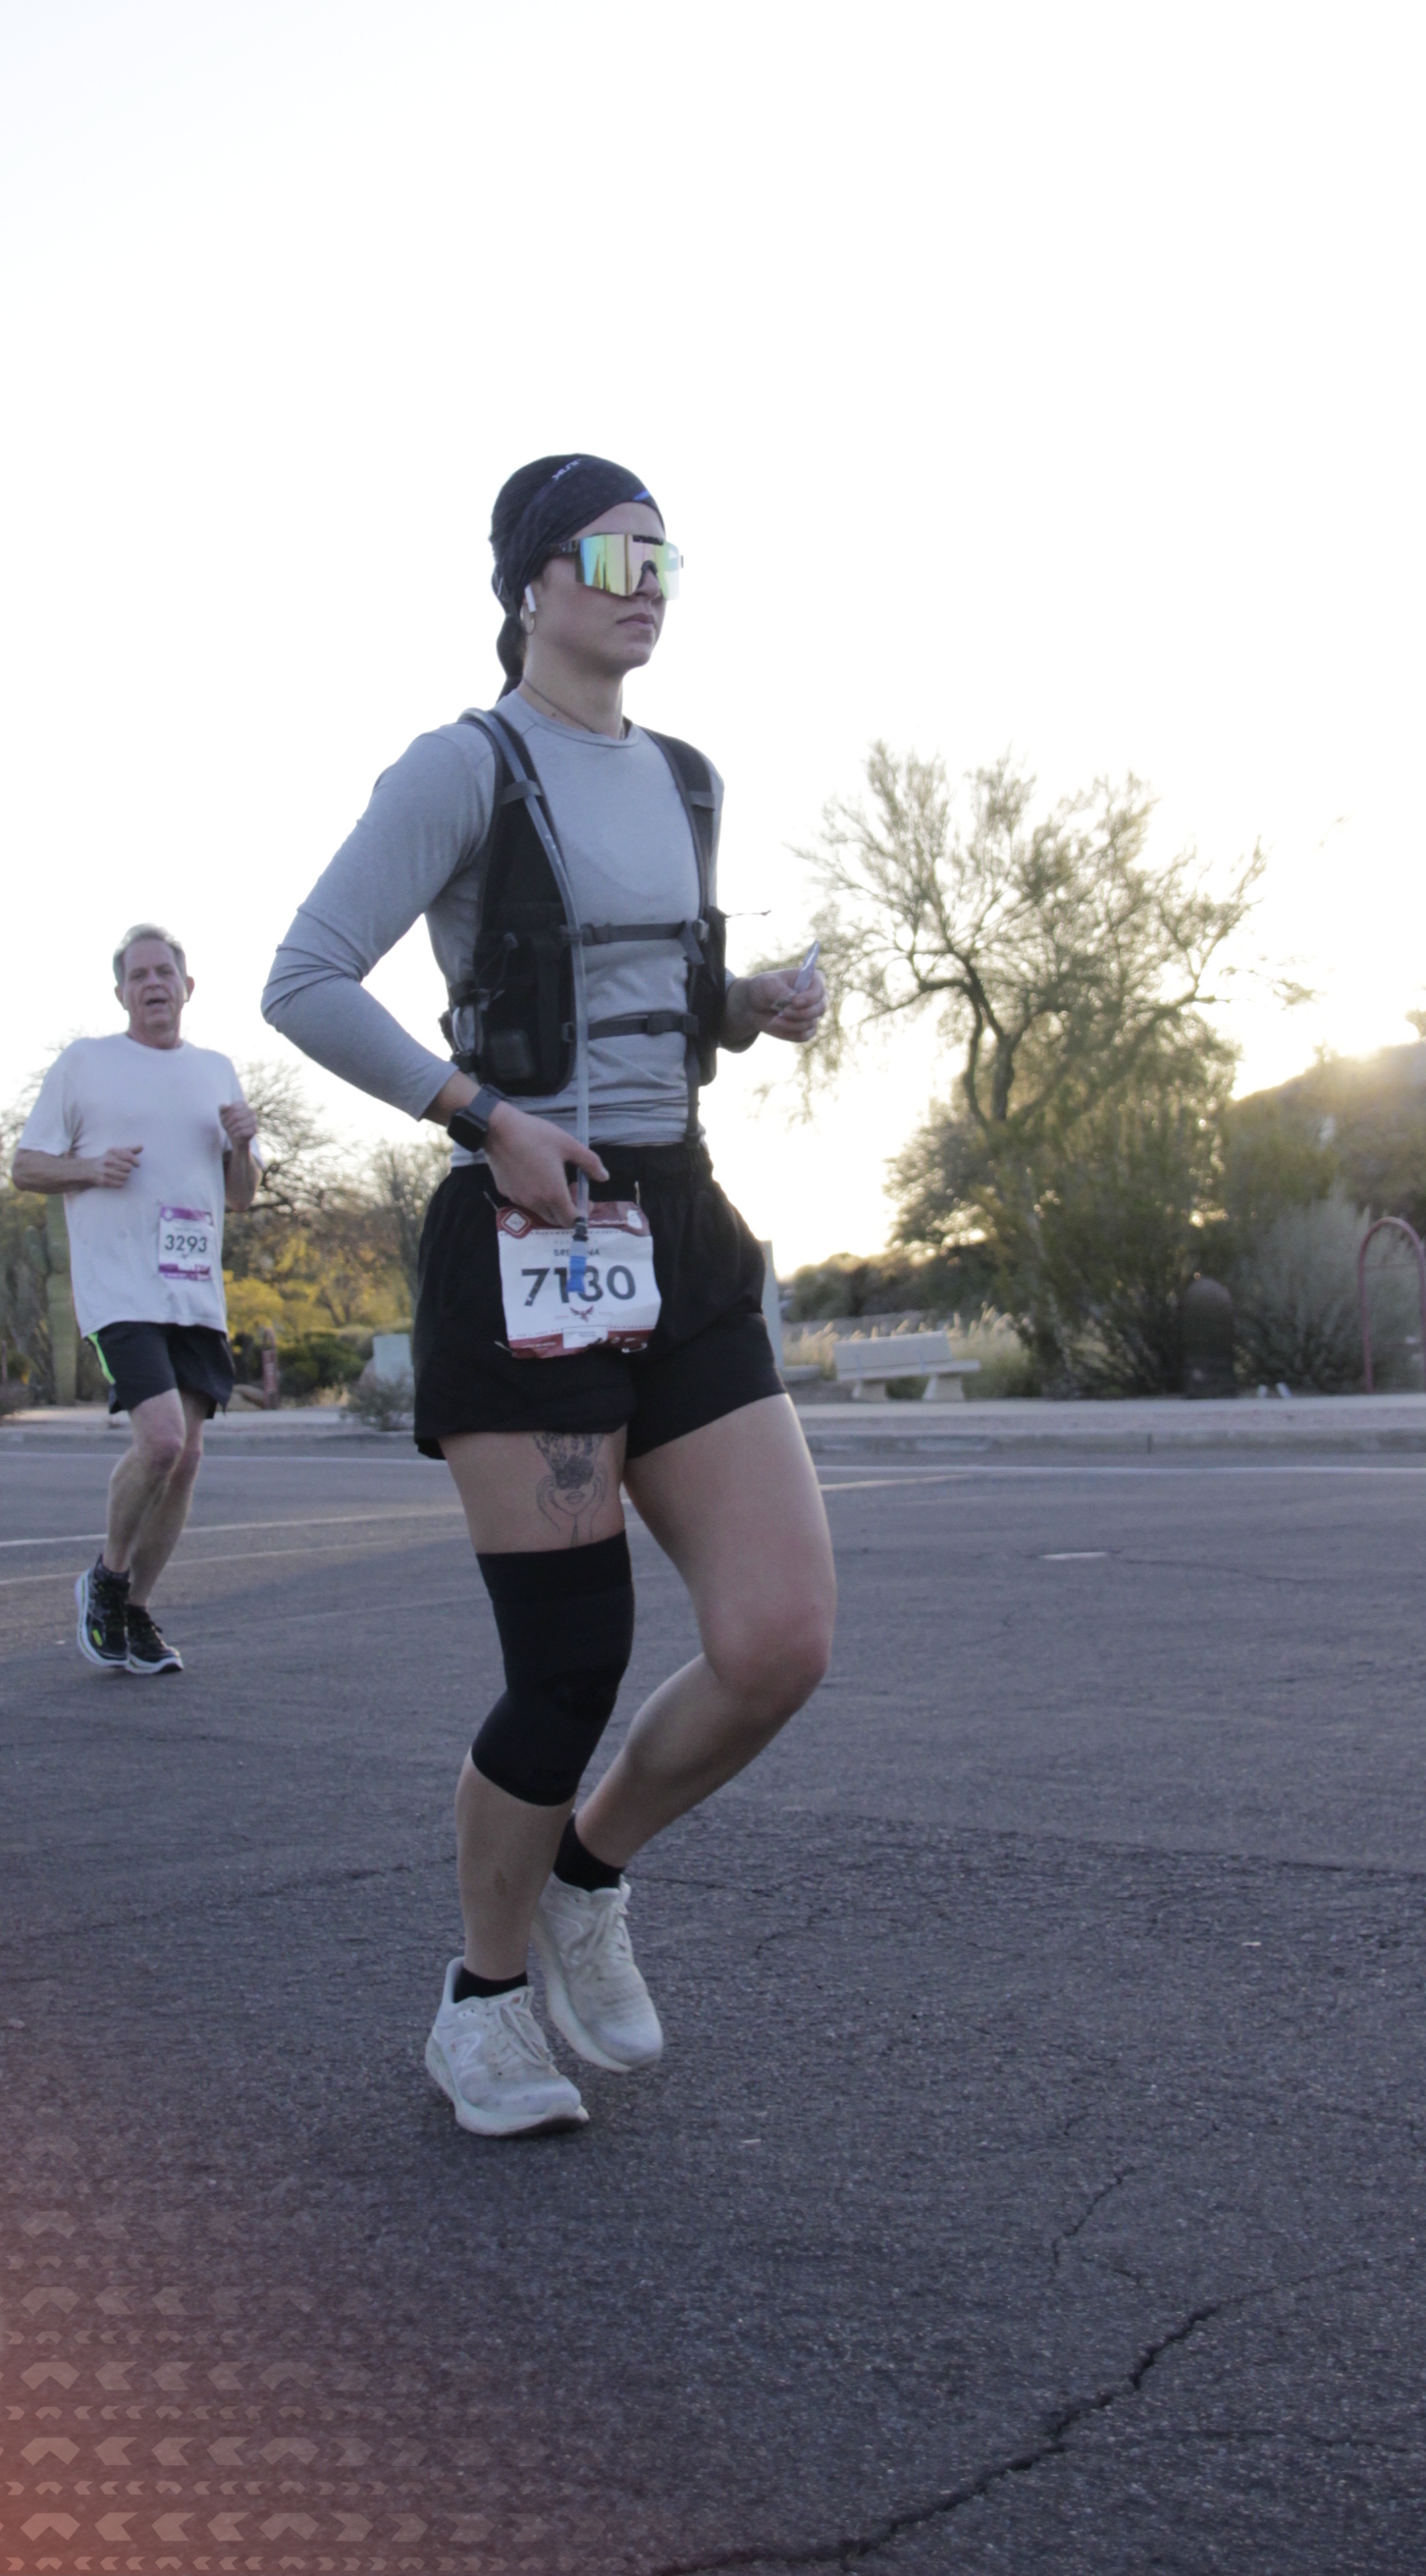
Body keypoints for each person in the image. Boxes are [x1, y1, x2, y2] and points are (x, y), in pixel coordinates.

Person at [264, 453, 834, 2136]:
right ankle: (486, 1998)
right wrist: (480, 1115)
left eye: (666, 558)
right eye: (609, 556)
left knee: (778, 1640)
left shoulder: (686, 777)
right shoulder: (463, 765)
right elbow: (303, 979)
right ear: (529, 583)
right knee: (570, 1663)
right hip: (527, 1234)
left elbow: (637, 984)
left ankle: (589, 1872)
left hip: (683, 1224)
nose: (645, 585)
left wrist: (745, 1001)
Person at [13, 927, 260, 1677]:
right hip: (119, 1288)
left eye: (165, 973)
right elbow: (26, 1166)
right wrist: (90, 1169)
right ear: (120, 992)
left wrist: (243, 1146)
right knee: (159, 1441)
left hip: (194, 1291)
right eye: (138, 975)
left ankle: (138, 1610)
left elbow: (241, 1197)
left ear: (189, 986)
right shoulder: (85, 1063)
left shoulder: (216, 1070)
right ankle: (107, 1578)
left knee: (185, 1459)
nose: (153, 984)